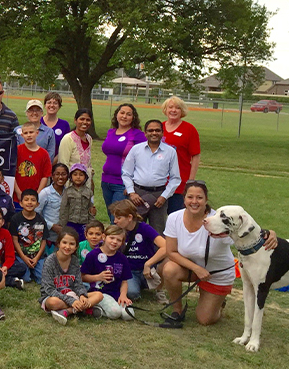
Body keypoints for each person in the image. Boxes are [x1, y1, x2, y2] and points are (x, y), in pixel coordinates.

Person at [161, 181, 276, 325]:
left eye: (199, 198)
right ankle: (177, 311)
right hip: (193, 269)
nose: (194, 202)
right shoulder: (174, 218)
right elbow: (171, 252)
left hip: (217, 274)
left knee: (205, 320)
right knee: (169, 269)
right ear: (184, 199)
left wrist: (270, 233)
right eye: (190, 197)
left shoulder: (221, 219)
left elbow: (248, 228)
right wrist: (196, 268)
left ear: (206, 200)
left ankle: (218, 303)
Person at [121, 119, 180, 234]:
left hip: (159, 196)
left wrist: (164, 196)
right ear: (145, 133)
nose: (154, 133)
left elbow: (175, 178)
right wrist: (131, 192)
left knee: (158, 231)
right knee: (132, 228)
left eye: (157, 130)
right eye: (150, 130)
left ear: (162, 133)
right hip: (138, 194)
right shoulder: (136, 149)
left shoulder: (170, 152)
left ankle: (157, 252)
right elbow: (126, 173)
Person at [39, 227, 104, 325]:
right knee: (53, 303)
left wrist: (82, 295)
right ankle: (84, 309)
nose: (67, 247)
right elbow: (49, 289)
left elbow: (78, 284)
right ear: (58, 243)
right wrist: (71, 301)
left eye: (72, 244)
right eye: (64, 243)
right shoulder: (50, 261)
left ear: (76, 247)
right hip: (54, 296)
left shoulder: (74, 261)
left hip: (71, 293)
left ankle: (68, 311)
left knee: (99, 295)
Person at [109, 199, 167, 302]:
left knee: (167, 261)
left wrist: (148, 264)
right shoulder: (116, 231)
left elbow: (165, 247)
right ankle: (137, 285)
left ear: (130, 217)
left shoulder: (144, 228)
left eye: (118, 218)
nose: (115, 221)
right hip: (130, 271)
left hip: (148, 268)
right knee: (132, 293)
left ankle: (159, 289)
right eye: (114, 218)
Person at [101, 104, 146, 220]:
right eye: (122, 113)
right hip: (106, 181)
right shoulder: (111, 132)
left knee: (117, 219)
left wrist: (131, 184)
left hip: (123, 184)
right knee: (111, 215)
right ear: (117, 114)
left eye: (128, 114)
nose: (124, 116)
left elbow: (143, 161)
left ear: (133, 118)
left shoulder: (137, 135)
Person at [81, 225, 134, 320]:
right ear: (104, 237)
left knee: (129, 315)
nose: (114, 242)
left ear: (122, 242)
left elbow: (124, 281)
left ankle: (104, 309)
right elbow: (82, 276)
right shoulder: (93, 255)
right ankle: (95, 309)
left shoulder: (122, 258)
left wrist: (123, 295)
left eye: (118, 240)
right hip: (99, 293)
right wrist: (98, 277)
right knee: (115, 313)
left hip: (116, 293)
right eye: (112, 238)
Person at [161, 96, 201, 214]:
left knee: (177, 215)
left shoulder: (189, 129)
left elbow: (195, 156)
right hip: (159, 181)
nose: (173, 110)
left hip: (179, 181)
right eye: (171, 107)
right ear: (165, 109)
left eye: (177, 108)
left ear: (182, 111)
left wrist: (191, 180)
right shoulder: (159, 127)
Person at [0, 205, 27, 290]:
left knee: (21, 267)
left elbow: (10, 256)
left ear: (3, 222)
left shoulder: (6, 233)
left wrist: (5, 267)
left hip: (1, 265)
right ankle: (11, 281)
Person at [9, 190, 48, 284]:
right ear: (21, 203)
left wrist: (36, 258)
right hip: (21, 256)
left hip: (37, 256)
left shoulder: (41, 220)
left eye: (33, 200)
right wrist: (24, 257)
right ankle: (28, 270)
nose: (30, 202)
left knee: (42, 280)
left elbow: (43, 241)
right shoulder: (15, 219)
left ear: (37, 204)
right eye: (26, 200)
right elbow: (14, 240)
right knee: (26, 279)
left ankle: (35, 269)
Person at [14, 121, 52, 203]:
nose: (29, 135)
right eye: (26, 133)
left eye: (31, 132)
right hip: (18, 197)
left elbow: (45, 176)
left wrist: (38, 194)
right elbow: (12, 173)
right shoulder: (17, 150)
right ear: (22, 135)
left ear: (37, 133)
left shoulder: (44, 154)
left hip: (35, 196)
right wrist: (18, 192)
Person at [36, 162, 68, 254]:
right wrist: (52, 226)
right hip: (48, 236)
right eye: (57, 174)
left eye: (63, 174)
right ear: (52, 176)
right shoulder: (45, 193)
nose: (60, 177)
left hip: (63, 236)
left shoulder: (68, 193)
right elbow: (36, 214)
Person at [58, 163, 95, 242]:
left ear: (85, 177)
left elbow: (91, 209)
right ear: (71, 177)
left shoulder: (89, 192)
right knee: (70, 241)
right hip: (70, 223)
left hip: (84, 224)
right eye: (75, 174)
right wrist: (62, 225)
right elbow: (64, 209)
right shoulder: (67, 192)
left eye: (81, 175)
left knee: (82, 242)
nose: (78, 177)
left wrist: (91, 225)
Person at [58, 108, 94, 183]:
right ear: (75, 120)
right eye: (82, 119)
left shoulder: (89, 139)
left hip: (85, 183)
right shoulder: (68, 138)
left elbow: (88, 163)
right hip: (71, 184)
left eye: (88, 120)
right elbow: (63, 163)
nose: (85, 122)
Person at [41, 92, 71, 159]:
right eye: (49, 102)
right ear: (45, 105)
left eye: (55, 103)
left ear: (59, 106)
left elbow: (65, 148)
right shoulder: (38, 122)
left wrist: (51, 163)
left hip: (57, 164)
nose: (52, 105)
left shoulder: (64, 125)